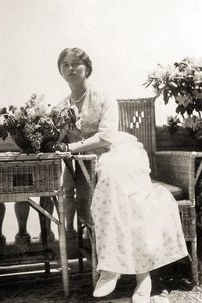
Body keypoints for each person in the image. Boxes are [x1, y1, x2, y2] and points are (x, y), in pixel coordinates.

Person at [47, 47, 188, 303]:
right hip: (91, 162)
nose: (70, 68)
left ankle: (123, 272)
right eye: (65, 64)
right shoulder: (61, 107)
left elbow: (107, 136)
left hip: (121, 152)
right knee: (126, 197)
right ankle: (131, 273)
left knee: (115, 181)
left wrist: (71, 147)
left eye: (76, 64)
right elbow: (56, 140)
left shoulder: (103, 96)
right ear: (60, 71)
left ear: (87, 68)